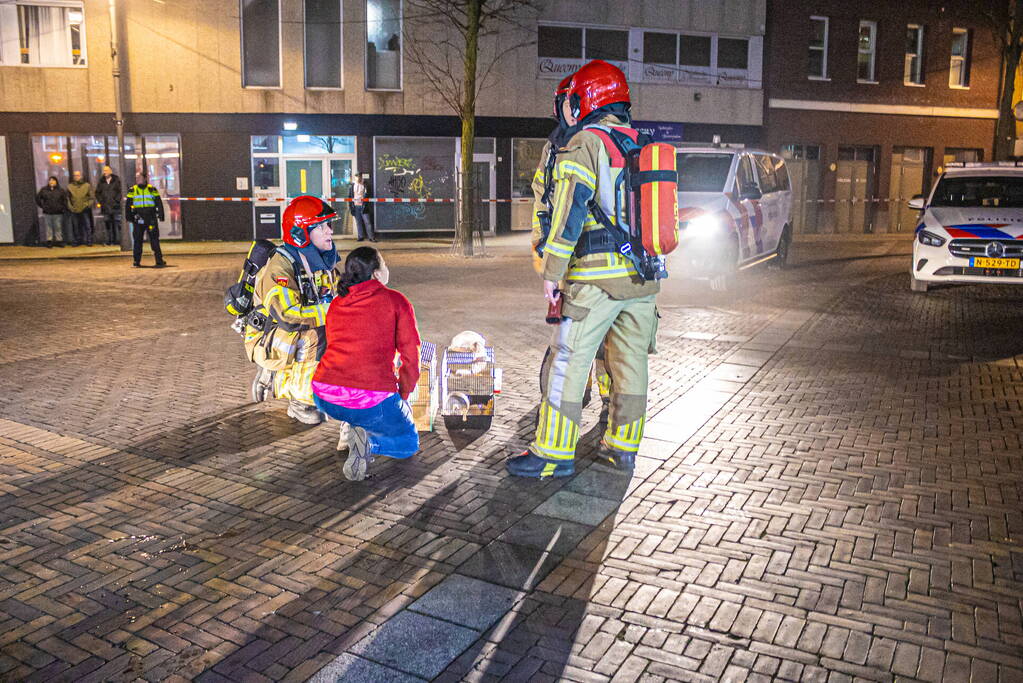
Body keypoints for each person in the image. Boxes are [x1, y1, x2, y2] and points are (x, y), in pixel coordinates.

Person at [507, 60, 660, 479]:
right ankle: (622, 449)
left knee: (568, 362)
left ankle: (553, 453)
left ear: (585, 100)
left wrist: (551, 272)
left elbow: (568, 213)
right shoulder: (641, 144)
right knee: (631, 366)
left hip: (595, 280)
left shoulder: (586, 143)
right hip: (643, 280)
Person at [532, 75, 612, 422]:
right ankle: (572, 395)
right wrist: (542, 248)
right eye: (565, 102)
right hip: (568, 262)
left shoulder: (599, 142)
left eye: (573, 101)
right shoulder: (553, 149)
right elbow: (542, 199)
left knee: (604, 342)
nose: (570, 109)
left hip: (597, 261)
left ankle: (607, 399)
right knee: (568, 337)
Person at [312, 247, 420, 481]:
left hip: (324, 395)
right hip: (372, 397)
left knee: (358, 407)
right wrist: (403, 393)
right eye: (384, 264)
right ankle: (369, 444)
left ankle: (351, 426)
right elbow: (411, 355)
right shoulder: (396, 301)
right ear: (376, 274)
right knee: (408, 443)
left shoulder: (336, 303)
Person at [250, 195, 341, 425]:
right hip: (269, 337)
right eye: (321, 227)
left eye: (329, 224)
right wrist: (334, 311)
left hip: (292, 333)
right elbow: (288, 316)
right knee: (316, 334)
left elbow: (338, 291)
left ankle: (322, 390)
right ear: (301, 233)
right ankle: (300, 401)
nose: (330, 231)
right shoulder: (280, 267)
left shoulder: (320, 261)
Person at [125, 175, 167, 268]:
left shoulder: (152, 189)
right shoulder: (133, 190)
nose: (138, 180)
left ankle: (159, 260)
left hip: (150, 218)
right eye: (137, 178)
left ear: (145, 179)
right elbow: (128, 204)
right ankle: (136, 261)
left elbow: (158, 202)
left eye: (140, 178)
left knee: (154, 239)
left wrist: (161, 215)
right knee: (137, 240)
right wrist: (129, 217)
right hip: (138, 218)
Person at [35, 176, 68, 248]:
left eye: (53, 180)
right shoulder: (44, 190)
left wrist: (62, 208)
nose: (51, 182)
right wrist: (43, 206)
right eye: (50, 180)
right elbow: (37, 198)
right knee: (48, 227)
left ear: (56, 182)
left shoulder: (60, 190)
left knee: (58, 227)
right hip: (47, 212)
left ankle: (59, 241)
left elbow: (65, 200)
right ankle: (49, 241)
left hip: (58, 212)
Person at [95, 165, 122, 246]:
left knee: (116, 224)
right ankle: (109, 240)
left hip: (115, 207)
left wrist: (116, 200)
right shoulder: (101, 181)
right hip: (105, 207)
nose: (105, 172)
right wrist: (101, 201)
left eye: (106, 170)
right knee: (107, 225)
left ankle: (117, 240)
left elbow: (120, 191)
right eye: (104, 170)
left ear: (111, 171)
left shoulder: (116, 180)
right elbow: (97, 193)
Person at [67, 170, 96, 246]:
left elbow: (92, 197)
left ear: (81, 176)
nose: (76, 177)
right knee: (75, 227)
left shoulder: (87, 186)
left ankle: (89, 241)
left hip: (85, 209)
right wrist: (70, 207)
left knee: (87, 226)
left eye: (78, 175)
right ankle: (77, 241)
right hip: (74, 209)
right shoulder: (70, 186)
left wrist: (87, 205)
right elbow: (67, 198)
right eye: (75, 175)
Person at [348, 174, 376, 242]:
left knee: (367, 222)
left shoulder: (365, 185)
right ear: (355, 178)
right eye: (357, 177)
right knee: (358, 222)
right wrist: (351, 207)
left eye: (359, 177)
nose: (358, 179)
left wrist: (365, 186)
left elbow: (368, 194)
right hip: (355, 206)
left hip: (364, 206)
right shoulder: (352, 186)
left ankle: (371, 237)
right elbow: (349, 197)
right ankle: (360, 237)